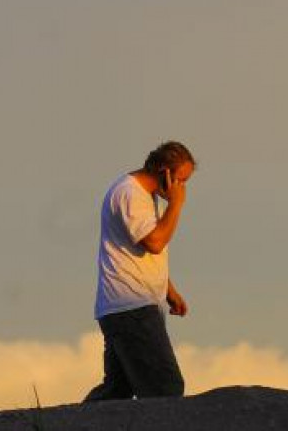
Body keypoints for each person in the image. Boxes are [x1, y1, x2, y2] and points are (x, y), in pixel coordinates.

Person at [83, 141, 196, 401]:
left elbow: (139, 253)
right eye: (180, 180)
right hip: (131, 308)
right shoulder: (129, 194)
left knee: (117, 391)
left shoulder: (144, 196)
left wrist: (169, 291)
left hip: (127, 308)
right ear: (162, 171)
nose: (182, 189)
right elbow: (155, 242)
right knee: (165, 388)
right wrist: (176, 205)